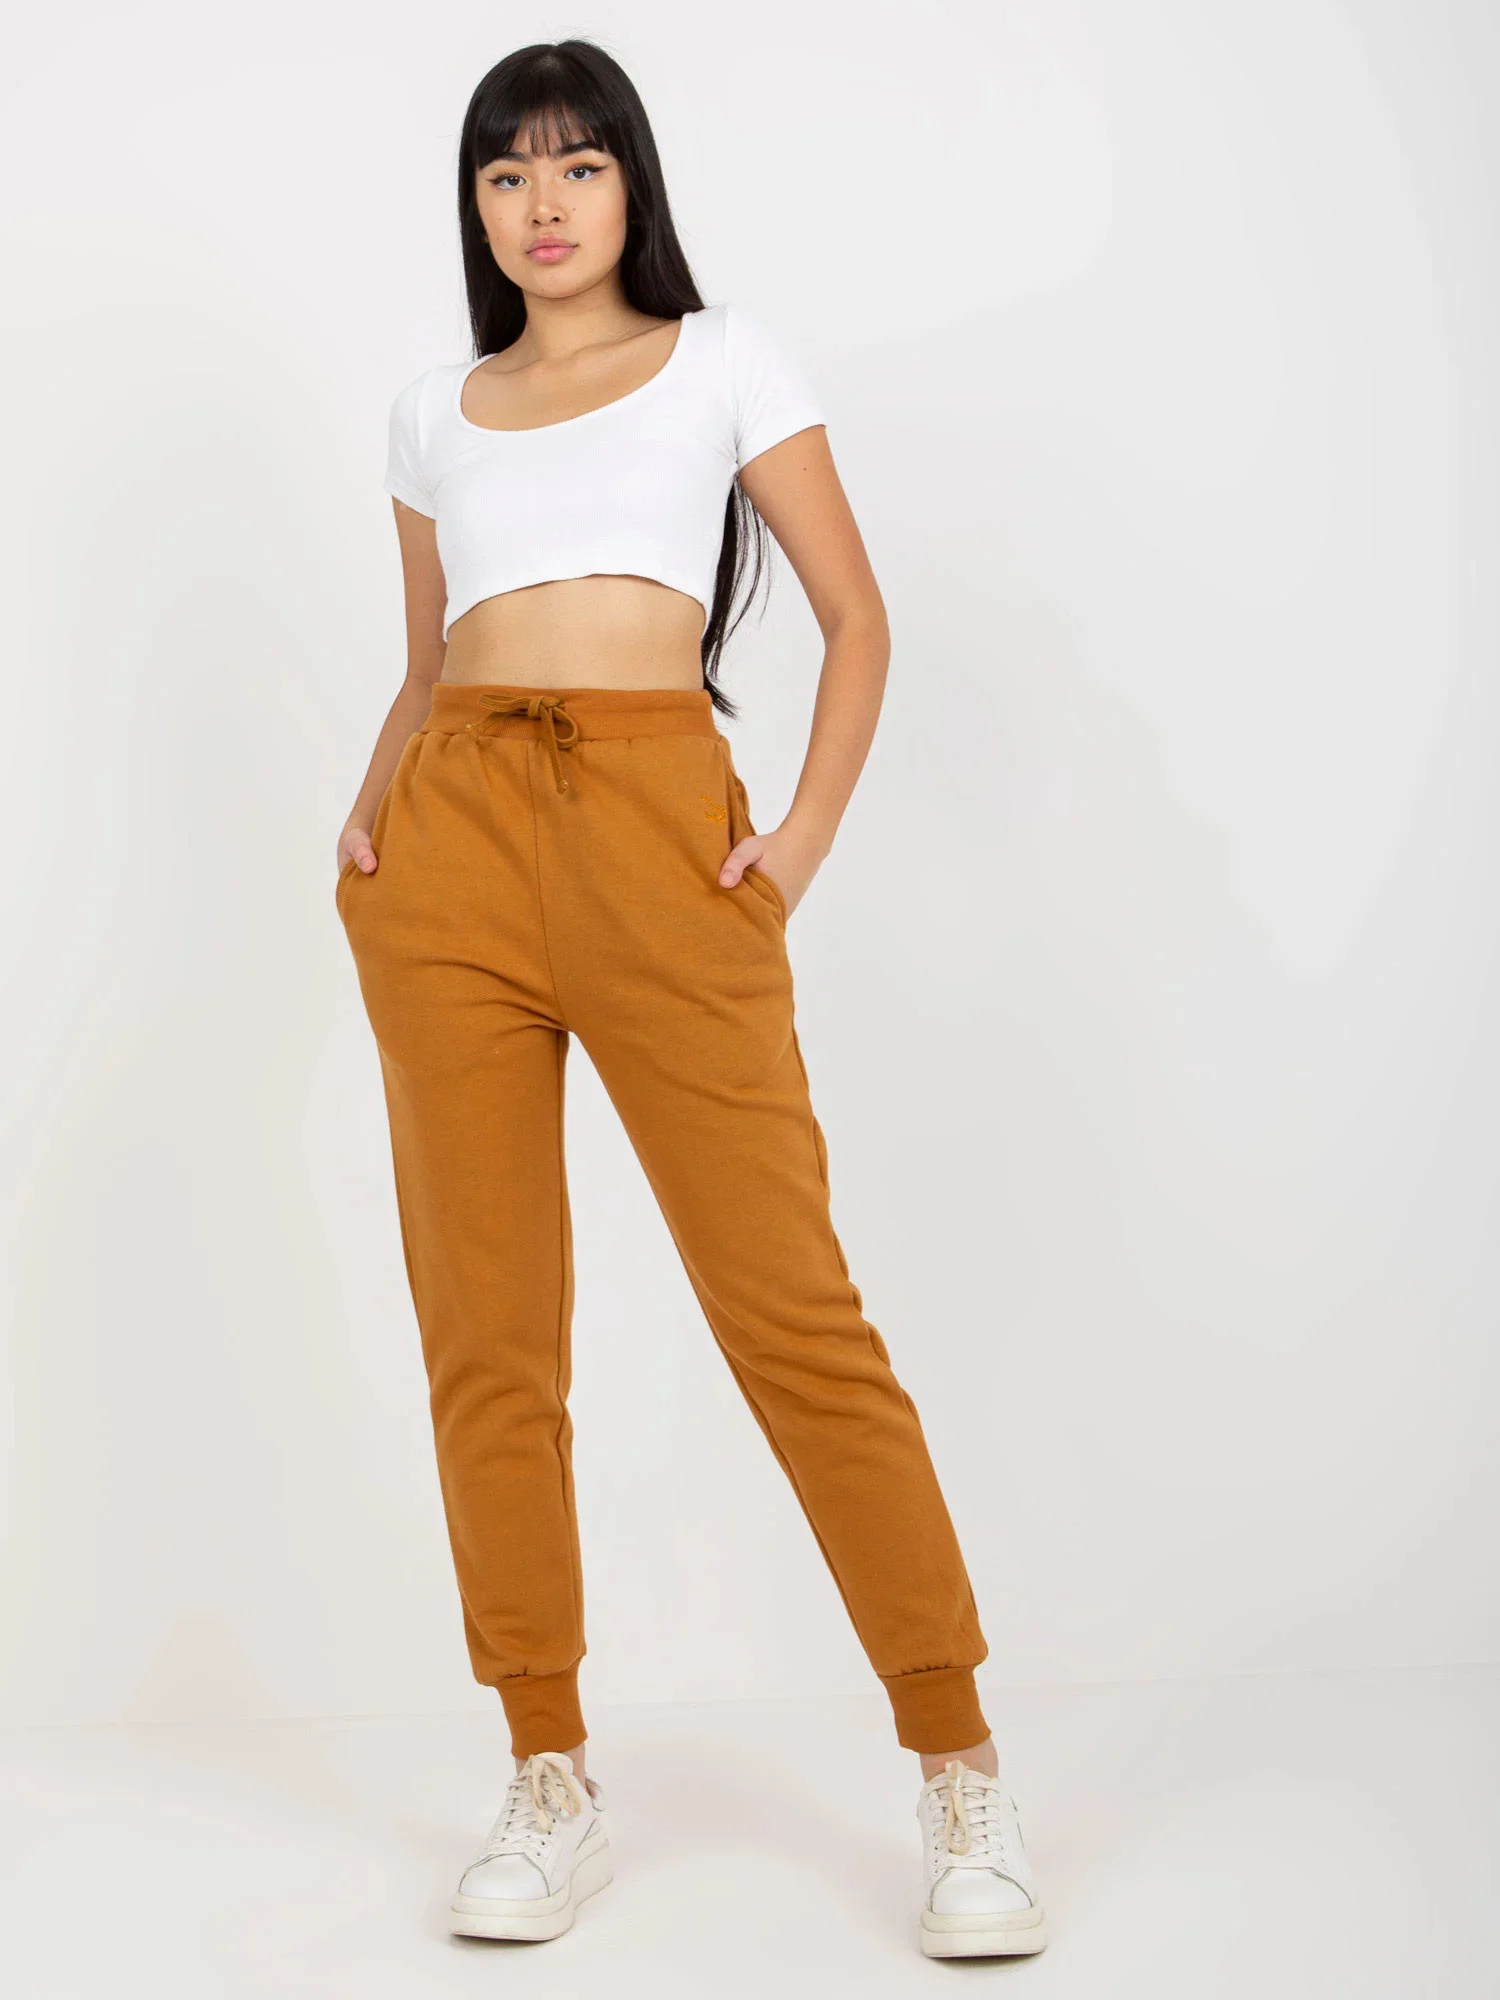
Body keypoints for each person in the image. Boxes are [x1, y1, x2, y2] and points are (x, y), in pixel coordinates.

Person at [334, 38, 1046, 1960]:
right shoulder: (433, 411)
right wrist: (370, 841)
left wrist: (794, 842)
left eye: (576, 164)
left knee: (793, 1315)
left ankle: (959, 1762)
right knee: (490, 1335)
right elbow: (427, 663)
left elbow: (859, 614)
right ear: (477, 209)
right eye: (504, 173)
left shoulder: (727, 361)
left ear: (632, 183)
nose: (541, 202)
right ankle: (547, 1768)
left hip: (665, 841)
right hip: (449, 856)